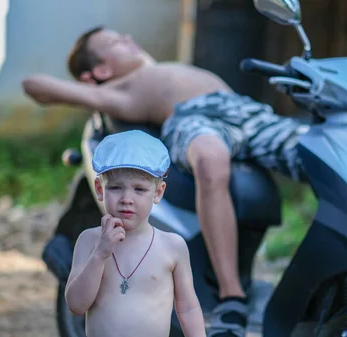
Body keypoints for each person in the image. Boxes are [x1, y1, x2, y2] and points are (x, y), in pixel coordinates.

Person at [23, 26, 309, 337]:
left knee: (322, 152)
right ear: (100, 69)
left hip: (246, 111)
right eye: (116, 42)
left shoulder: (153, 67)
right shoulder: (115, 90)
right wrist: (89, 87)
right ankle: (232, 295)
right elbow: (33, 84)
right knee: (211, 158)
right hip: (194, 118)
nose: (129, 40)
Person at [65, 130, 206, 337]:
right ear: (100, 189)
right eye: (115, 187)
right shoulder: (89, 241)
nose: (126, 198)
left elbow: (188, 307)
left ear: (158, 192)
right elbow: (76, 305)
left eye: (139, 189)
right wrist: (100, 255)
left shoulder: (172, 246)